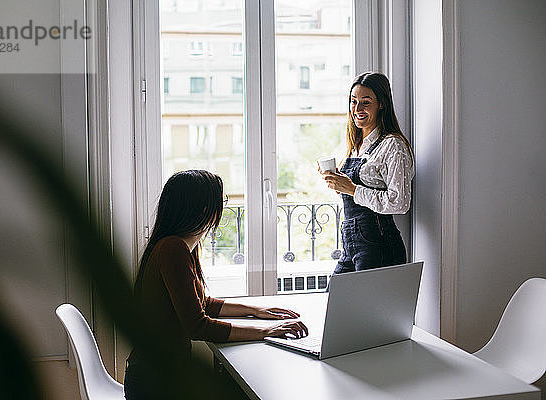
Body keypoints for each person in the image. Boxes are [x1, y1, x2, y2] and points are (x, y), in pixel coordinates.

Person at [124, 170, 307, 400]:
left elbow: (203, 303)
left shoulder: (181, 247)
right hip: (156, 384)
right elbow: (198, 326)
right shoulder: (173, 249)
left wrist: (254, 310)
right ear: (203, 209)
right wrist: (265, 332)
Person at [319, 71, 414, 279]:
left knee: (365, 311)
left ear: (381, 104)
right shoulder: (356, 146)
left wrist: (352, 188)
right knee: (332, 304)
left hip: (378, 244)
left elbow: (400, 203)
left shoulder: (393, 146)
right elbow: (358, 196)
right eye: (353, 102)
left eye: (365, 102)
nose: (357, 109)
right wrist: (338, 183)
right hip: (351, 243)